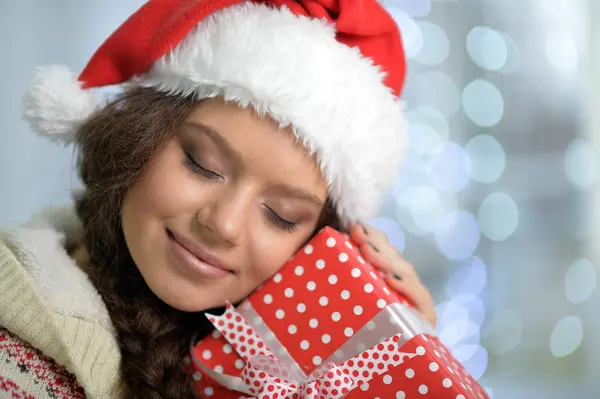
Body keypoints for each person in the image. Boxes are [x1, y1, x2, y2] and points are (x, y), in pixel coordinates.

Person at [0, 0, 437, 398]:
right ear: (135, 139)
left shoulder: (285, 377)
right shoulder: (18, 353)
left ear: (317, 244)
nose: (224, 223)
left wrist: (397, 367)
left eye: (281, 216)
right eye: (201, 164)